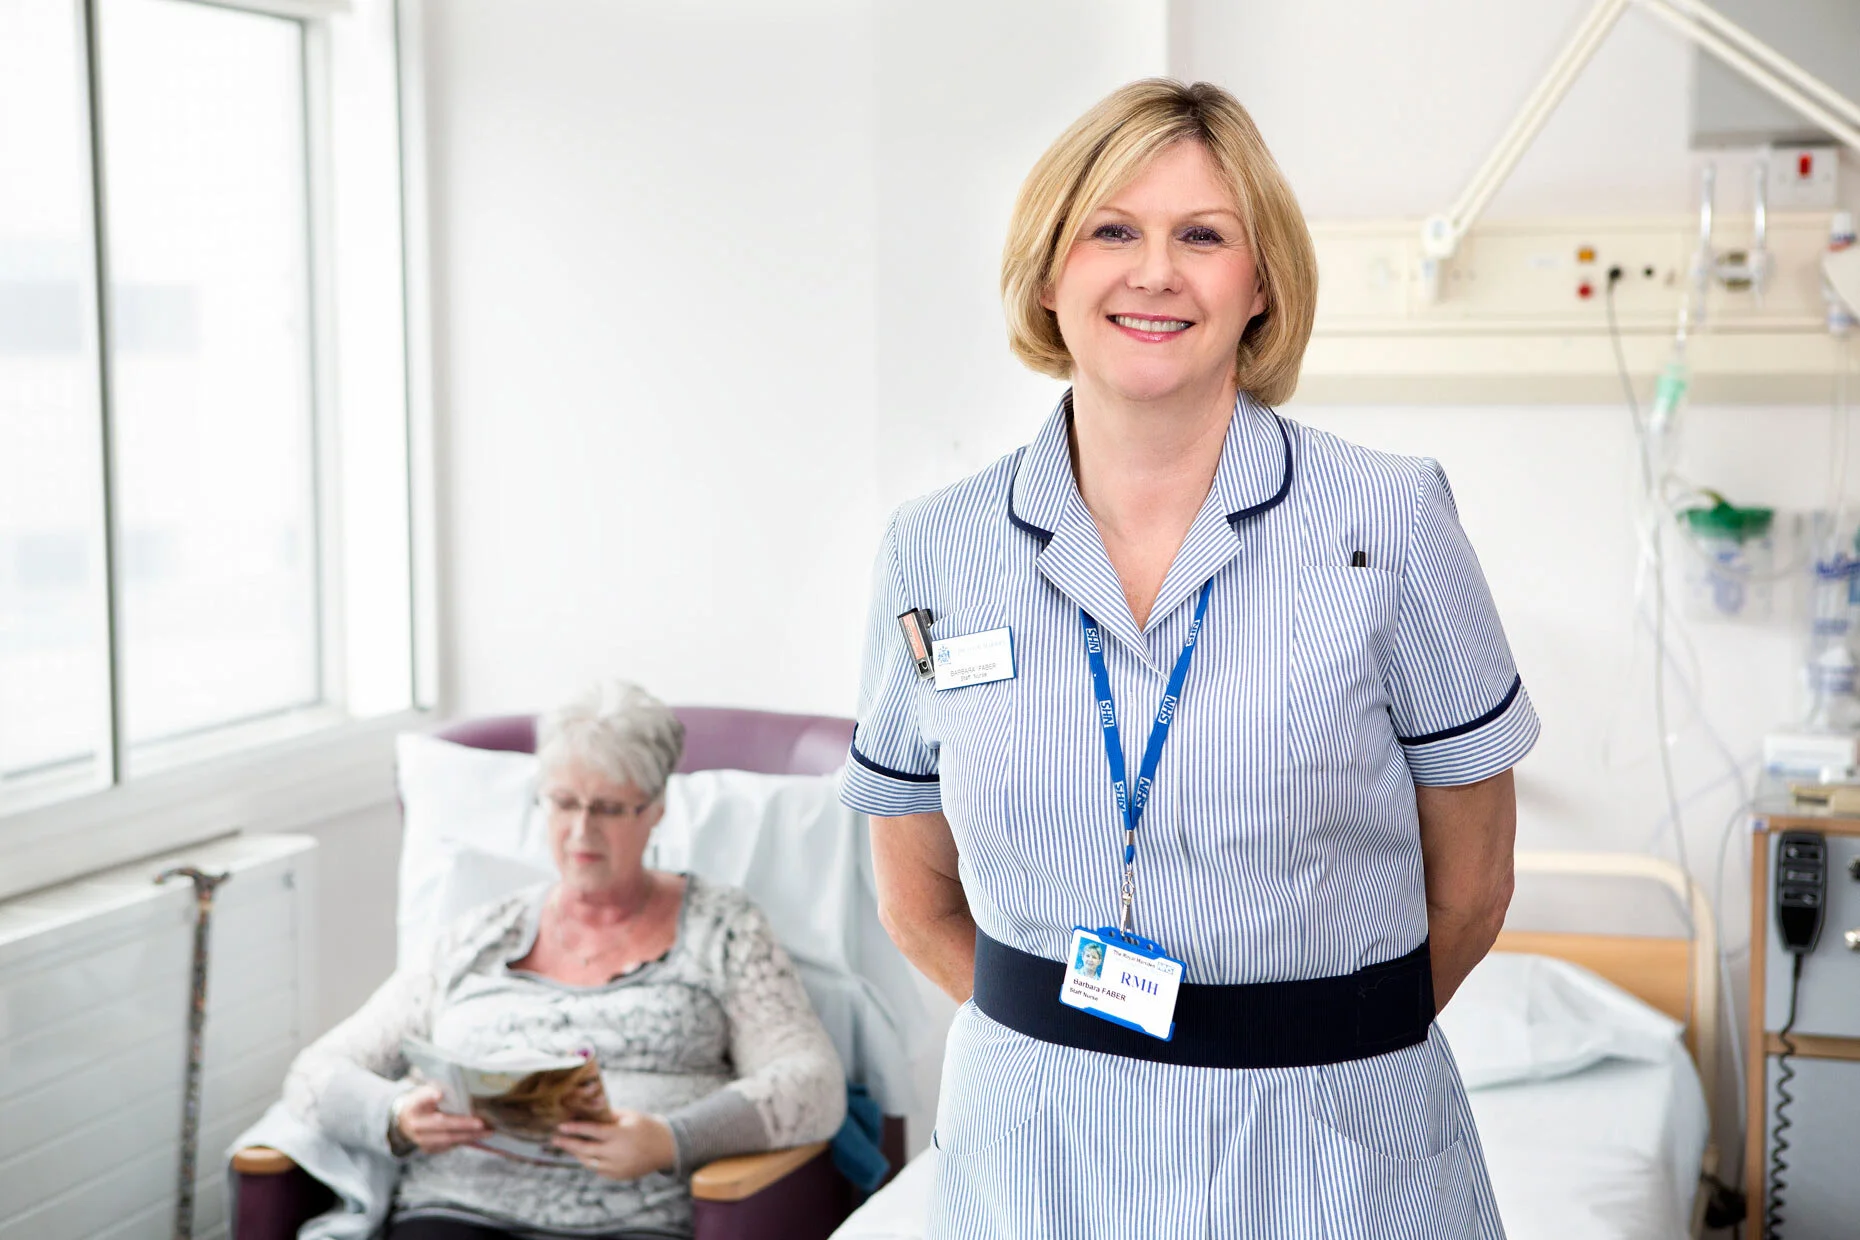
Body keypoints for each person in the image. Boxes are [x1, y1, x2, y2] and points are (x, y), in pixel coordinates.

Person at [841, 79, 1537, 1238]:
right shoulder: (936, 550)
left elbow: (1472, 888)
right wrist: (1091, 1049)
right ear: (1049, 271)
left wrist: (1303, 1049)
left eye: (1203, 236)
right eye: (1112, 229)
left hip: (1330, 1153)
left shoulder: (1389, 524)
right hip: (1034, 1158)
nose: (1154, 271)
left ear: (1259, 283)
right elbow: (913, 896)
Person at [284, 680, 846, 1240]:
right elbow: (316, 1075)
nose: (582, 831)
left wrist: (672, 1138)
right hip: (453, 1210)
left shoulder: (722, 929)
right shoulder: (479, 936)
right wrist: (397, 1114)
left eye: (607, 808)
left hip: (628, 1221)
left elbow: (812, 1084)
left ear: (655, 810)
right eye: (564, 803)